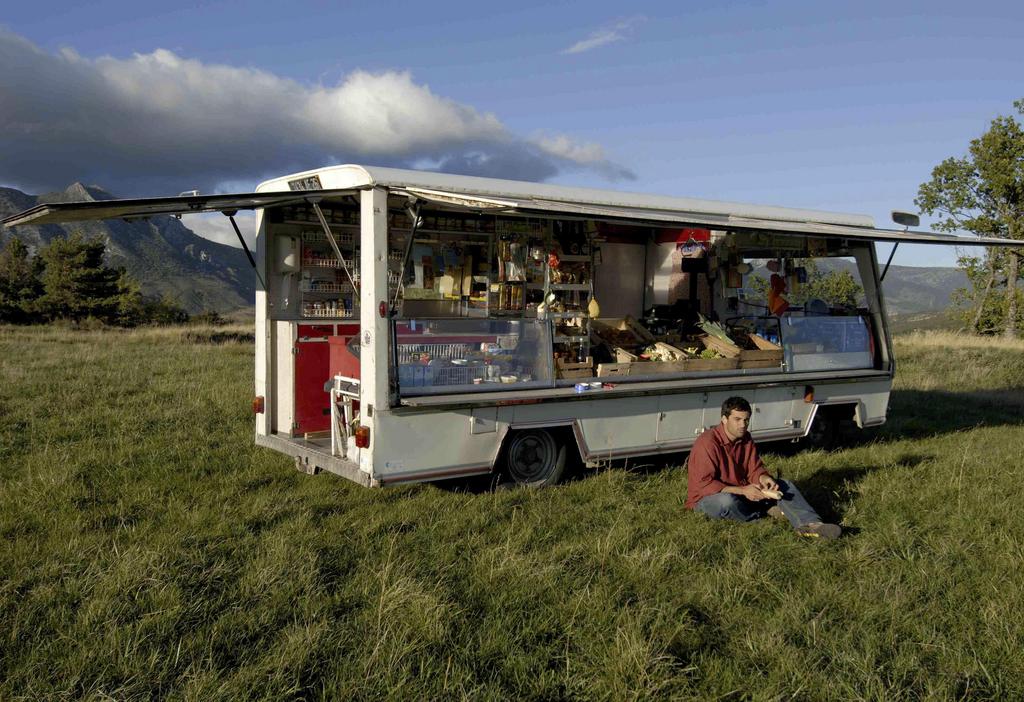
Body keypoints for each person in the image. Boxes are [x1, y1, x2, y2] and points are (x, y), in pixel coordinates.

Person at [686, 396, 841, 539]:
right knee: (727, 502)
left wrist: (763, 477)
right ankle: (759, 516)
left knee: (784, 484)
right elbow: (704, 485)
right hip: (707, 499)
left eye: (746, 420)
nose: (743, 425)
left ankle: (811, 525)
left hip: (742, 491)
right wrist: (743, 490)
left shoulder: (745, 438)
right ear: (724, 419)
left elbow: (754, 467)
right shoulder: (707, 443)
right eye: (737, 419)